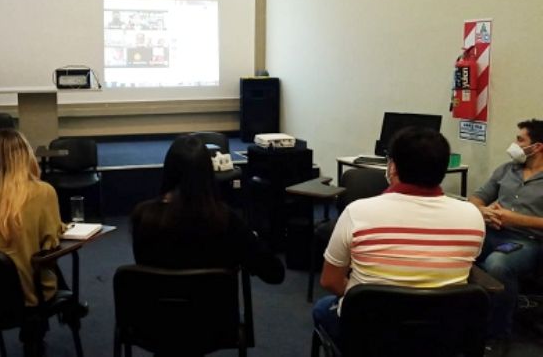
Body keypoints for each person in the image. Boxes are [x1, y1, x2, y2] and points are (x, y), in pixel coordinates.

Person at [313, 127, 485, 346]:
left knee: (322, 307)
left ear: (392, 167)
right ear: (445, 168)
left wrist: (363, 299)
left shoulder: (357, 212)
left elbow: (330, 280)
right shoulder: (472, 215)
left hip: (370, 332)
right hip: (442, 333)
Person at [131, 134, 285, 283]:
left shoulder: (143, 216)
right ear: (208, 173)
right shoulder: (226, 220)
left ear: (168, 171)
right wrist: (250, 243)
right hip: (213, 309)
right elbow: (275, 274)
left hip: (159, 309)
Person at [0, 129, 65, 355]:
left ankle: (41, 327)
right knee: (44, 262)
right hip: (26, 296)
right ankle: (42, 328)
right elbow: (51, 244)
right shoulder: (43, 192)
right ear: (25, 154)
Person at [469, 119, 543, 343]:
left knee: (497, 264)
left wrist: (515, 219)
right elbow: (475, 198)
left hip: (529, 241)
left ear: (537, 146)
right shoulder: (506, 170)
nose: (514, 144)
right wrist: (484, 211)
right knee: (458, 247)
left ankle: (497, 335)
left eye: (520, 139)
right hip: (493, 232)